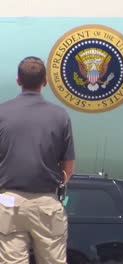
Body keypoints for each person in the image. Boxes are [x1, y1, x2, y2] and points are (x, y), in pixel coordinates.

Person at [0, 56, 75, 264]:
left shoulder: (2, 112)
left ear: (18, 80)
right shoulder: (60, 116)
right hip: (46, 203)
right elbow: (68, 167)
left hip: (9, 200)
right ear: (45, 82)